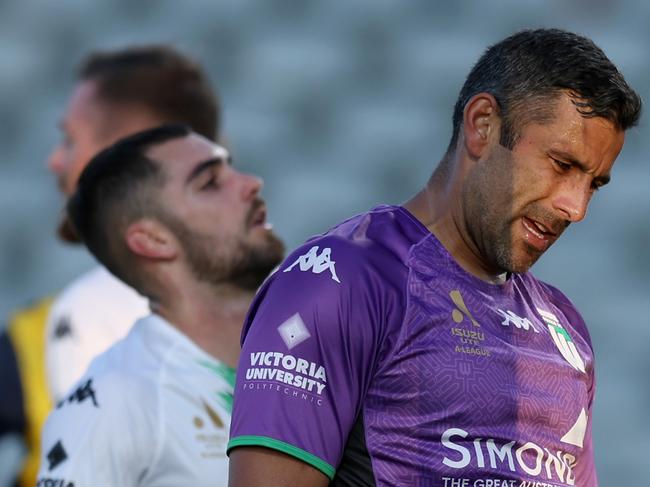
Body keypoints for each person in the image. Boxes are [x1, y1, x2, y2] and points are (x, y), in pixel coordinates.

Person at [227, 28, 642, 486]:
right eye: (562, 164)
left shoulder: (565, 330)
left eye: (593, 184)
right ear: (483, 125)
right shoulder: (338, 283)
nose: (576, 207)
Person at [0, 45, 220, 487]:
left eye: (71, 141)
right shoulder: (303, 309)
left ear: (128, 157)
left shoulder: (48, 332)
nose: (55, 160)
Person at [36, 124, 285, 486]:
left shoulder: (317, 349)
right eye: (210, 182)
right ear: (153, 239)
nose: (251, 183)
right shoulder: (113, 399)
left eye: (232, 169)